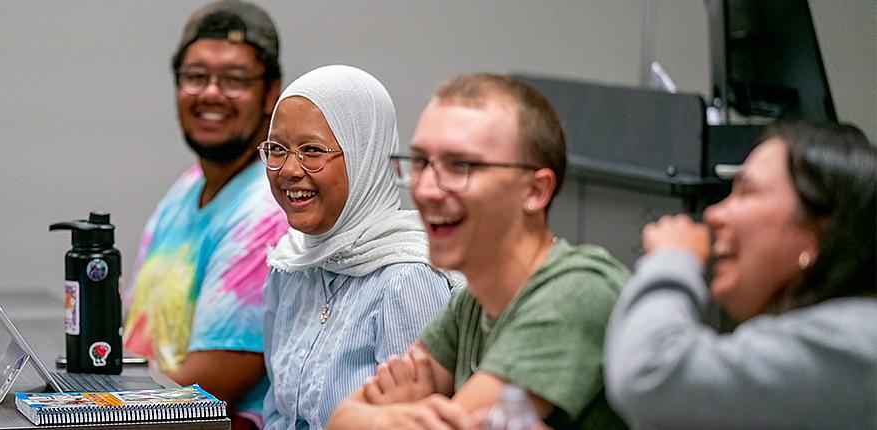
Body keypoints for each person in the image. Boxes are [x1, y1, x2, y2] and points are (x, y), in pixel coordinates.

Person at [328, 73, 631, 430]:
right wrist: (396, 418)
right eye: (422, 162)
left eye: (460, 166)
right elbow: (340, 420)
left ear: (535, 190)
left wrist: (386, 416)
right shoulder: (474, 300)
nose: (426, 190)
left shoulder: (577, 292)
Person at [605, 121, 877, 429]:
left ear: (817, 233)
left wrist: (671, 260)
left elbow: (649, 375)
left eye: (747, 192)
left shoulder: (853, 345)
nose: (714, 214)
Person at [259, 65, 454, 430]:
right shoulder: (291, 262)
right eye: (277, 149)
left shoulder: (406, 278)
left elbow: (419, 423)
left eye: (312, 150)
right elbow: (277, 414)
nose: (288, 169)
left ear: (365, 155)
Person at [122, 1, 288, 427]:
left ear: (271, 93)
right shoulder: (187, 188)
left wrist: (94, 411)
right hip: (137, 409)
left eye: (234, 79)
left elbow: (199, 396)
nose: (211, 93)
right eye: (195, 77)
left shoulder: (268, 212)